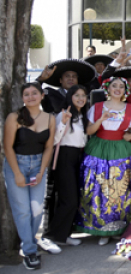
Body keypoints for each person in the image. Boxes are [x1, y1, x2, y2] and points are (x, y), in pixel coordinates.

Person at [75, 77, 131, 246]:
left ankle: (119, 227)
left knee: (119, 190)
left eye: (121, 86)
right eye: (114, 85)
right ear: (107, 88)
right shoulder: (97, 107)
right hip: (98, 148)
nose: (117, 89)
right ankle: (100, 228)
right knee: (98, 188)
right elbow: (89, 130)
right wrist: (101, 119)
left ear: (125, 90)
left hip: (121, 150)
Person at [3, 83, 56, 269]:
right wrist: (17, 173)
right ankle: (29, 251)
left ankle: (29, 243)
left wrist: (42, 171)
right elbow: (7, 147)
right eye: (27, 94)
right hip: (17, 164)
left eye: (35, 93)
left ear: (42, 96)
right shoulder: (15, 117)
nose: (31, 97)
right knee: (23, 210)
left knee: (36, 210)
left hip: (38, 166)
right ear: (22, 97)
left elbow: (49, 147)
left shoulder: (50, 118)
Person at [42, 85, 89, 248]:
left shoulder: (82, 115)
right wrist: (62, 122)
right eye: (77, 95)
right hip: (64, 158)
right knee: (68, 200)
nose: (81, 98)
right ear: (70, 96)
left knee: (74, 200)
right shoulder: (63, 114)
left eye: (83, 95)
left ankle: (65, 234)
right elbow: (54, 140)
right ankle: (50, 236)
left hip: (78, 158)